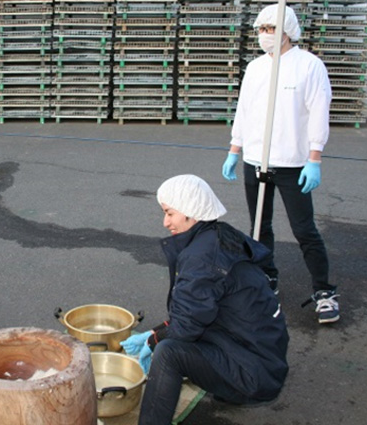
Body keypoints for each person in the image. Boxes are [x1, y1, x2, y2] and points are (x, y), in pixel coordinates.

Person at [121, 175, 289, 425]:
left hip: (254, 372)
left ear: (190, 211)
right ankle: (228, 390)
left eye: (169, 213)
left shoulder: (201, 257)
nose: (165, 222)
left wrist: (154, 339)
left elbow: (186, 327)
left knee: (169, 353)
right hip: (266, 356)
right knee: (179, 334)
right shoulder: (221, 235)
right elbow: (193, 313)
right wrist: (154, 333)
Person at [221, 3, 339, 324]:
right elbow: (244, 110)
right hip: (255, 160)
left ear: (288, 31)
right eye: (261, 29)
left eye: (271, 29)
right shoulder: (256, 68)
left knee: (305, 229)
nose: (265, 35)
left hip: (292, 163)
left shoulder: (309, 66)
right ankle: (266, 277)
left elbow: (318, 113)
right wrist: (235, 150)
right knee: (260, 227)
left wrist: (314, 158)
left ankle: (324, 291)